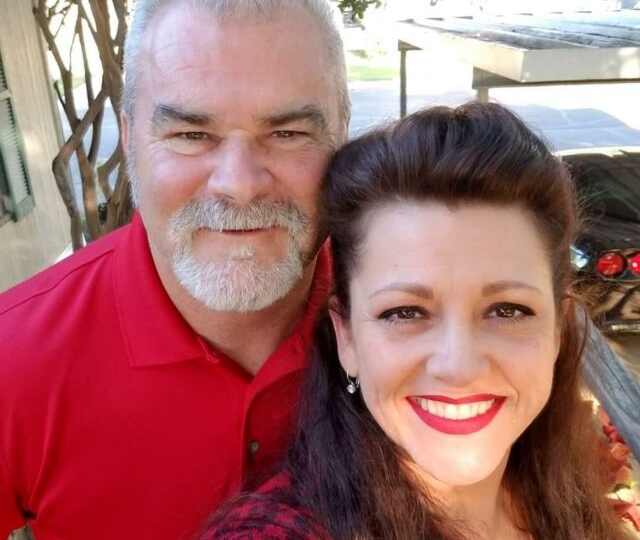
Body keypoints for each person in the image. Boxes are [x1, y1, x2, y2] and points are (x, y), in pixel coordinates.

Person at [0, 0, 349, 540]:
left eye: (288, 132)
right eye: (191, 134)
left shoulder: (417, 322)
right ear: (131, 139)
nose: (239, 184)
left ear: (344, 134)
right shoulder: (14, 358)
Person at [202, 102, 631, 540]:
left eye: (508, 310)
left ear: (557, 330)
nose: (458, 367)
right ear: (346, 336)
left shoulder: (564, 498)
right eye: (404, 313)